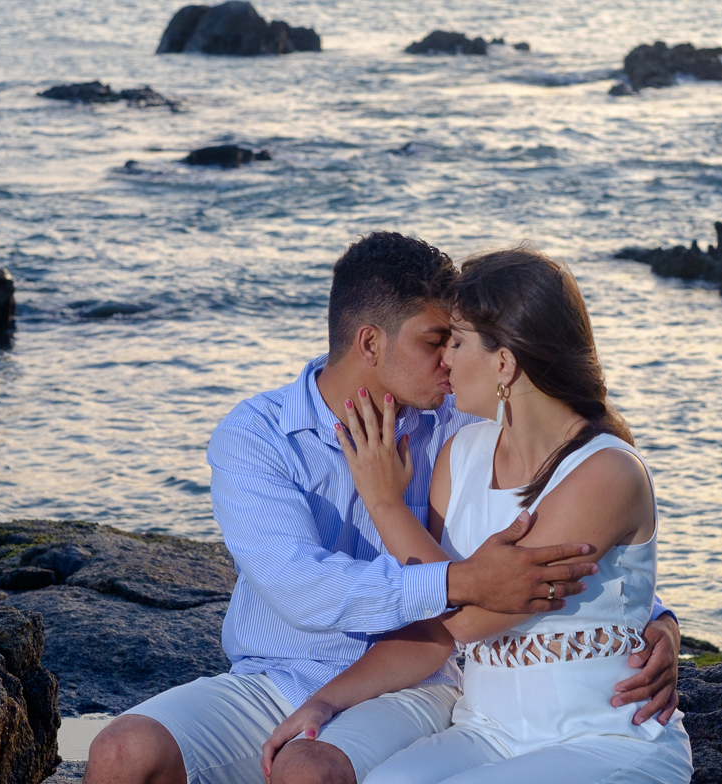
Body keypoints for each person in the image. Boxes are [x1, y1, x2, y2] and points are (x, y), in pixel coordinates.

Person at [85, 233, 682, 784]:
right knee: (122, 751)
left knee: (307, 770)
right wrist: (459, 579)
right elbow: (304, 591)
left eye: (455, 341)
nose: (447, 361)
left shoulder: (457, 423)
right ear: (370, 341)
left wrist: (656, 618)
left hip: (418, 678)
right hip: (281, 675)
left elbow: (573, 525)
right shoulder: (260, 436)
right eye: (433, 341)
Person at [262, 246, 692, 784]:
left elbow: (469, 618)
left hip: (602, 739)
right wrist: (323, 704)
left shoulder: (606, 473)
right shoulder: (459, 456)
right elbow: (436, 630)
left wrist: (385, 503)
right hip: (488, 732)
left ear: (505, 364)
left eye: (457, 342)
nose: (443, 359)